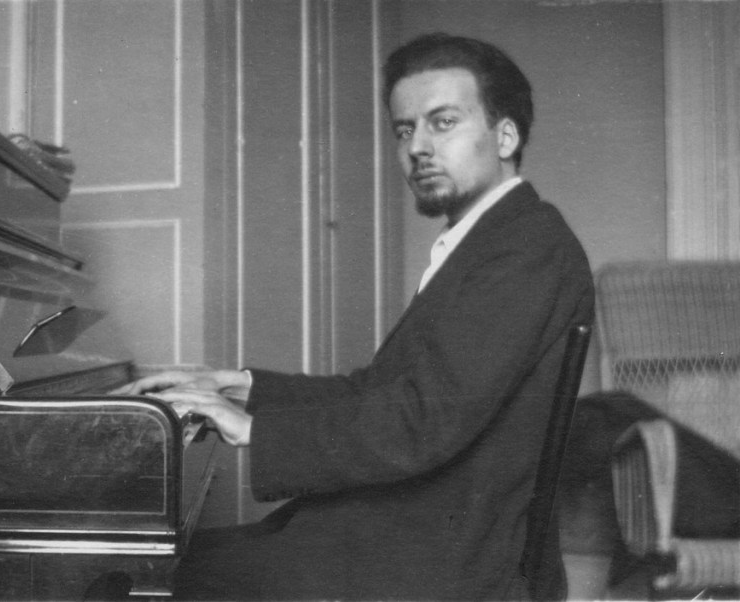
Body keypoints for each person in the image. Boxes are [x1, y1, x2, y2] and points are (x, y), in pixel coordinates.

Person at [116, 32, 594, 601]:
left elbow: (422, 421)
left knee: (132, 579)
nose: (418, 147)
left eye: (443, 123)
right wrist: (239, 387)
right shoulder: (488, 240)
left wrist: (252, 430)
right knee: (152, 565)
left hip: (438, 563)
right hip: (409, 536)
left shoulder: (525, 247)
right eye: (404, 130)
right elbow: (379, 392)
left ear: (505, 135)